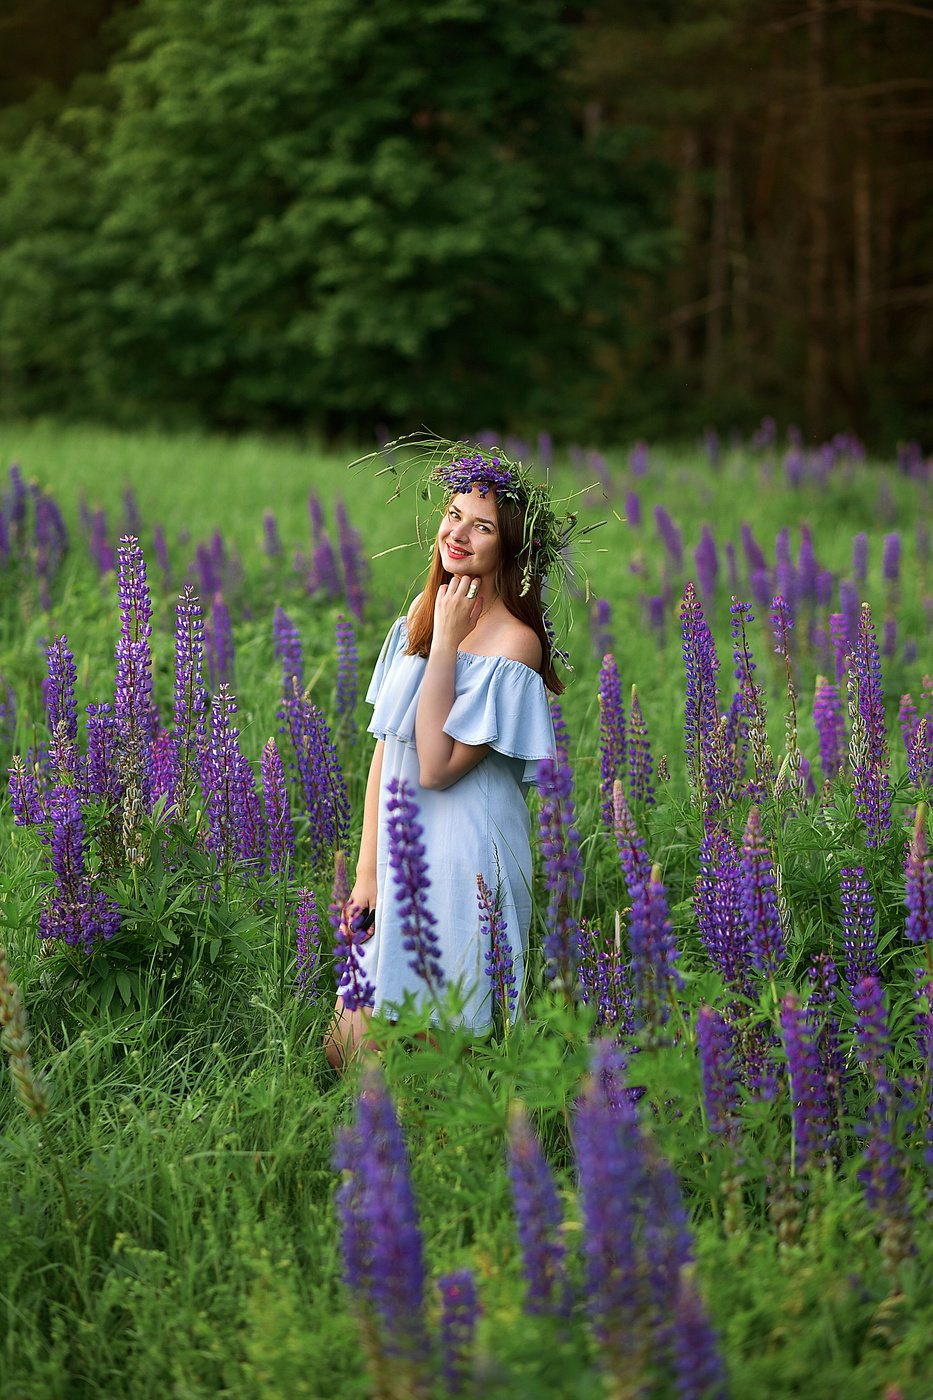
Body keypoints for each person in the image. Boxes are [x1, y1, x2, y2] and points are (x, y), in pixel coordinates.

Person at [324, 446, 573, 1069]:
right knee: (345, 1051)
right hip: (403, 844)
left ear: (508, 549)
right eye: (454, 514)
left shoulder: (516, 645)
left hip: (467, 854)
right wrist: (365, 873)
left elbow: (435, 766)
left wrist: (448, 641)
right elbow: (389, 752)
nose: (457, 533)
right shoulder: (418, 615)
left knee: (441, 1049)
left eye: (481, 526)